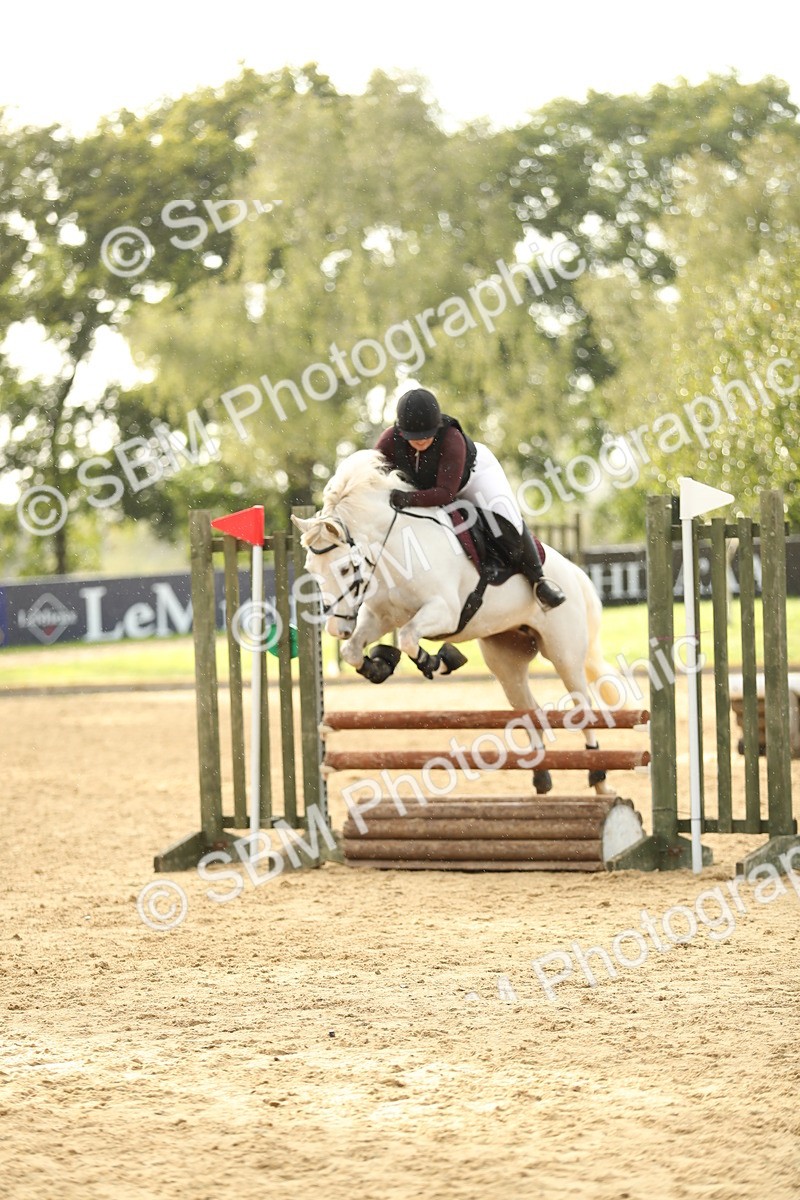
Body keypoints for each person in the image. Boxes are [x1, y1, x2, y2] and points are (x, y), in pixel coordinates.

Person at [374, 387, 566, 610]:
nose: (420, 442)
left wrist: (406, 498)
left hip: (474, 478)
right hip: (428, 489)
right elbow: (372, 471)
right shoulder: (389, 439)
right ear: (401, 430)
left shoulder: (451, 439)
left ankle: (539, 581)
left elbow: (445, 493)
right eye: (413, 437)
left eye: (427, 435)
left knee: (505, 519)